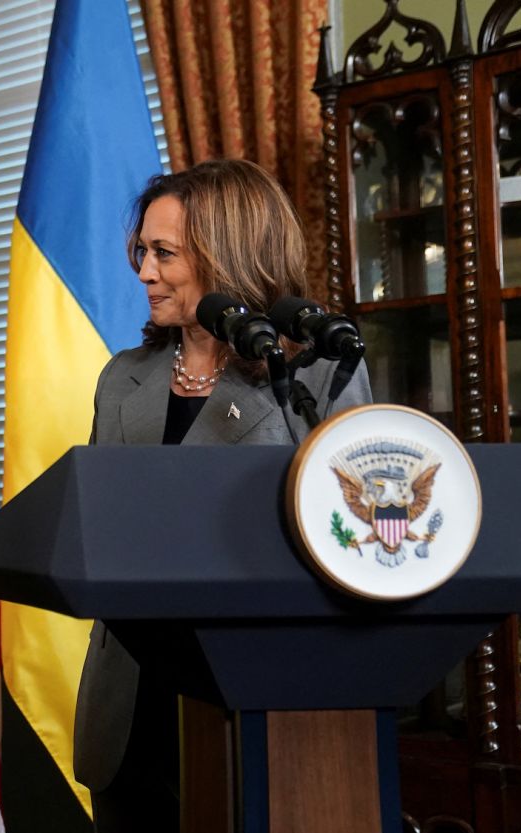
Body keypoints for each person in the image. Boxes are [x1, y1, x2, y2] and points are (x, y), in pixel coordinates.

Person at [72, 159, 373, 831]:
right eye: (141, 252)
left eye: (164, 253)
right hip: (132, 708)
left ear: (228, 254)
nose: (144, 271)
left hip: (257, 700)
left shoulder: (316, 376)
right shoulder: (124, 378)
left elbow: (347, 542)